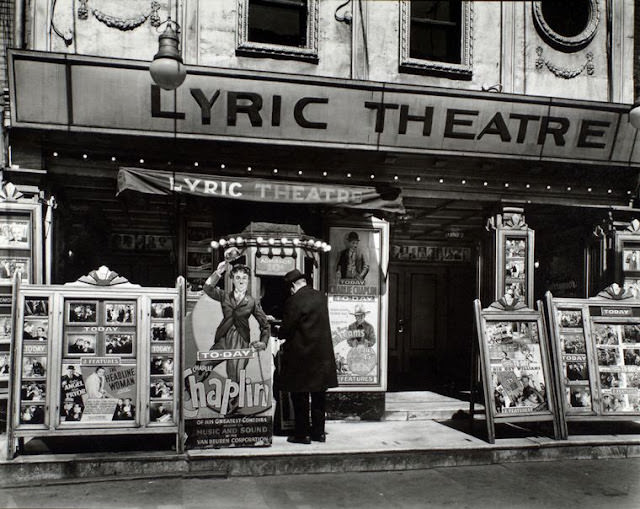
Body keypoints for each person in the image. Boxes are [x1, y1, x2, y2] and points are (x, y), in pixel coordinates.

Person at [200, 260, 270, 412]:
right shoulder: (224, 296)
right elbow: (207, 288)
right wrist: (218, 272)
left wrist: (263, 343)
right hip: (223, 339)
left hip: (241, 341)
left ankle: (233, 411)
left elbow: (265, 325)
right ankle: (192, 396)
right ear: (232, 279)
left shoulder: (252, 302)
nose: (241, 281)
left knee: (236, 377)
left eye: (244, 278)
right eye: (238, 278)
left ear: (248, 280)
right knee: (202, 366)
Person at [278, 269, 338, 444]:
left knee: (300, 396)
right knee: (319, 396)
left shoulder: (294, 300)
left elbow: (287, 328)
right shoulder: (321, 297)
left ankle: (301, 434)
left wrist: (280, 333)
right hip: (321, 355)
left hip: (301, 356)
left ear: (293, 285)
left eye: (290, 288)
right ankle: (319, 433)